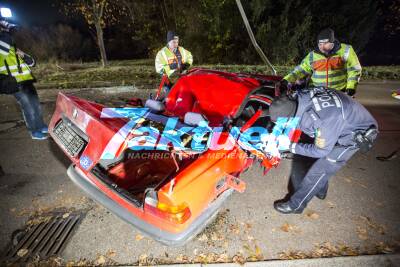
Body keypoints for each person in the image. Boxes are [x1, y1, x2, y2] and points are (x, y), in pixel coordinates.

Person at [268, 87, 378, 214]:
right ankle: (320, 190)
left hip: (356, 134)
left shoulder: (322, 120)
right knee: (311, 156)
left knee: (320, 170)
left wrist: (290, 146)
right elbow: (300, 121)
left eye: (284, 123)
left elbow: (321, 151)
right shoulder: (301, 96)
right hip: (344, 119)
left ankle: (296, 206)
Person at [0, 19, 48, 140]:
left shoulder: (12, 48)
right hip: (13, 83)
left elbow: (33, 63)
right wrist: (7, 28)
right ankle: (34, 131)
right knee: (28, 107)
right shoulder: (3, 48)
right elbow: (5, 42)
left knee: (36, 105)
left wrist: (24, 55)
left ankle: (41, 125)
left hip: (27, 80)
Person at [281, 29, 362, 97]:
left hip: (340, 93)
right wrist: (286, 80)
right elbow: (300, 70)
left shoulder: (346, 50)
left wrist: (351, 88)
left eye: (325, 43)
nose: (322, 47)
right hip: (317, 93)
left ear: (332, 42)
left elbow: (354, 70)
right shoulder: (312, 55)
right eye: (320, 44)